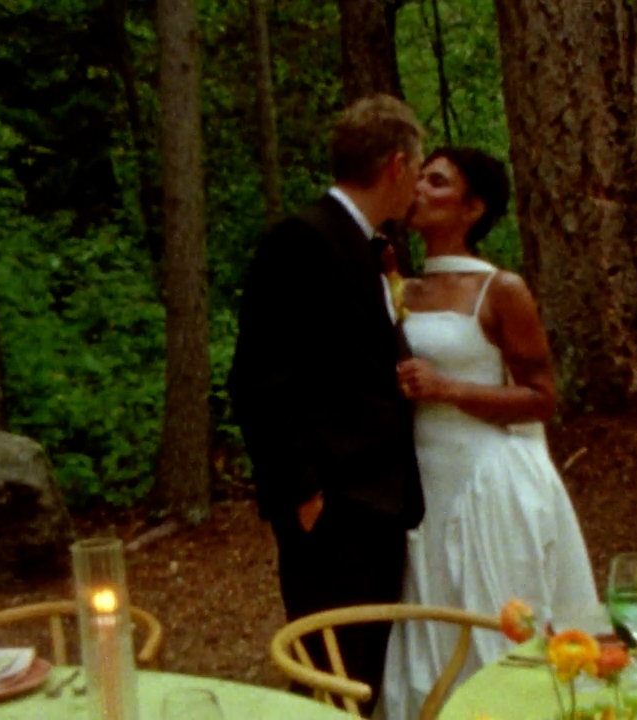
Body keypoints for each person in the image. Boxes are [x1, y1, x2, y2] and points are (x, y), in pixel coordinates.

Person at [380, 147, 600, 719]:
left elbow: (541, 399)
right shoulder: (402, 288)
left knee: (497, 630)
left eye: (437, 181)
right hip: (422, 486)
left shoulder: (501, 289)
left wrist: (448, 388)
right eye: (419, 177)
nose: (419, 188)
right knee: (431, 631)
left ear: (472, 208)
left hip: (485, 483)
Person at [228, 94, 426, 712]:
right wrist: (303, 492)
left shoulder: (370, 247)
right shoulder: (303, 238)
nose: (418, 185)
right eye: (418, 171)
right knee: (326, 676)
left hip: (380, 501)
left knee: (363, 675)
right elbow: (258, 377)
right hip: (335, 505)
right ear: (397, 166)